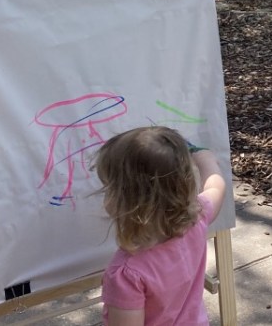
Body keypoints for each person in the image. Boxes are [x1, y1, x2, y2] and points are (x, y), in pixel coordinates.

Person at [95, 126, 226, 326]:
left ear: (126, 202)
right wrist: (205, 159)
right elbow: (216, 186)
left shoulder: (126, 274)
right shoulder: (198, 218)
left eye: (109, 188)